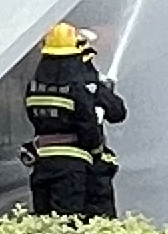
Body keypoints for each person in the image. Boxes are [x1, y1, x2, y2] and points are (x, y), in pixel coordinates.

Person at [23, 23, 126, 218]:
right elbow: (96, 120)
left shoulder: (34, 86)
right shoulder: (80, 88)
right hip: (74, 166)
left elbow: (35, 118)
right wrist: (96, 150)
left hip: (42, 164)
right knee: (71, 223)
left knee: (44, 222)